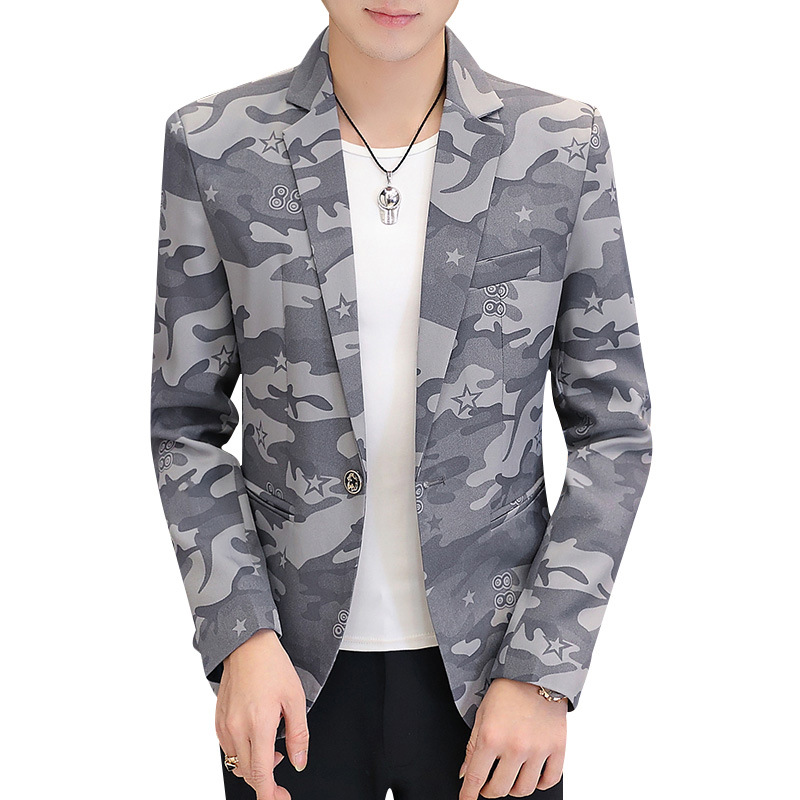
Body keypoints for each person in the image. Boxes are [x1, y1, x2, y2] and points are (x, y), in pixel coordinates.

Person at [150, 2, 653, 799]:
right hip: (285, 679)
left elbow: (614, 430)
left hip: (495, 684)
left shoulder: (560, 144)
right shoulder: (215, 144)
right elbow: (185, 426)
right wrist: (238, 634)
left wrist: (544, 668)